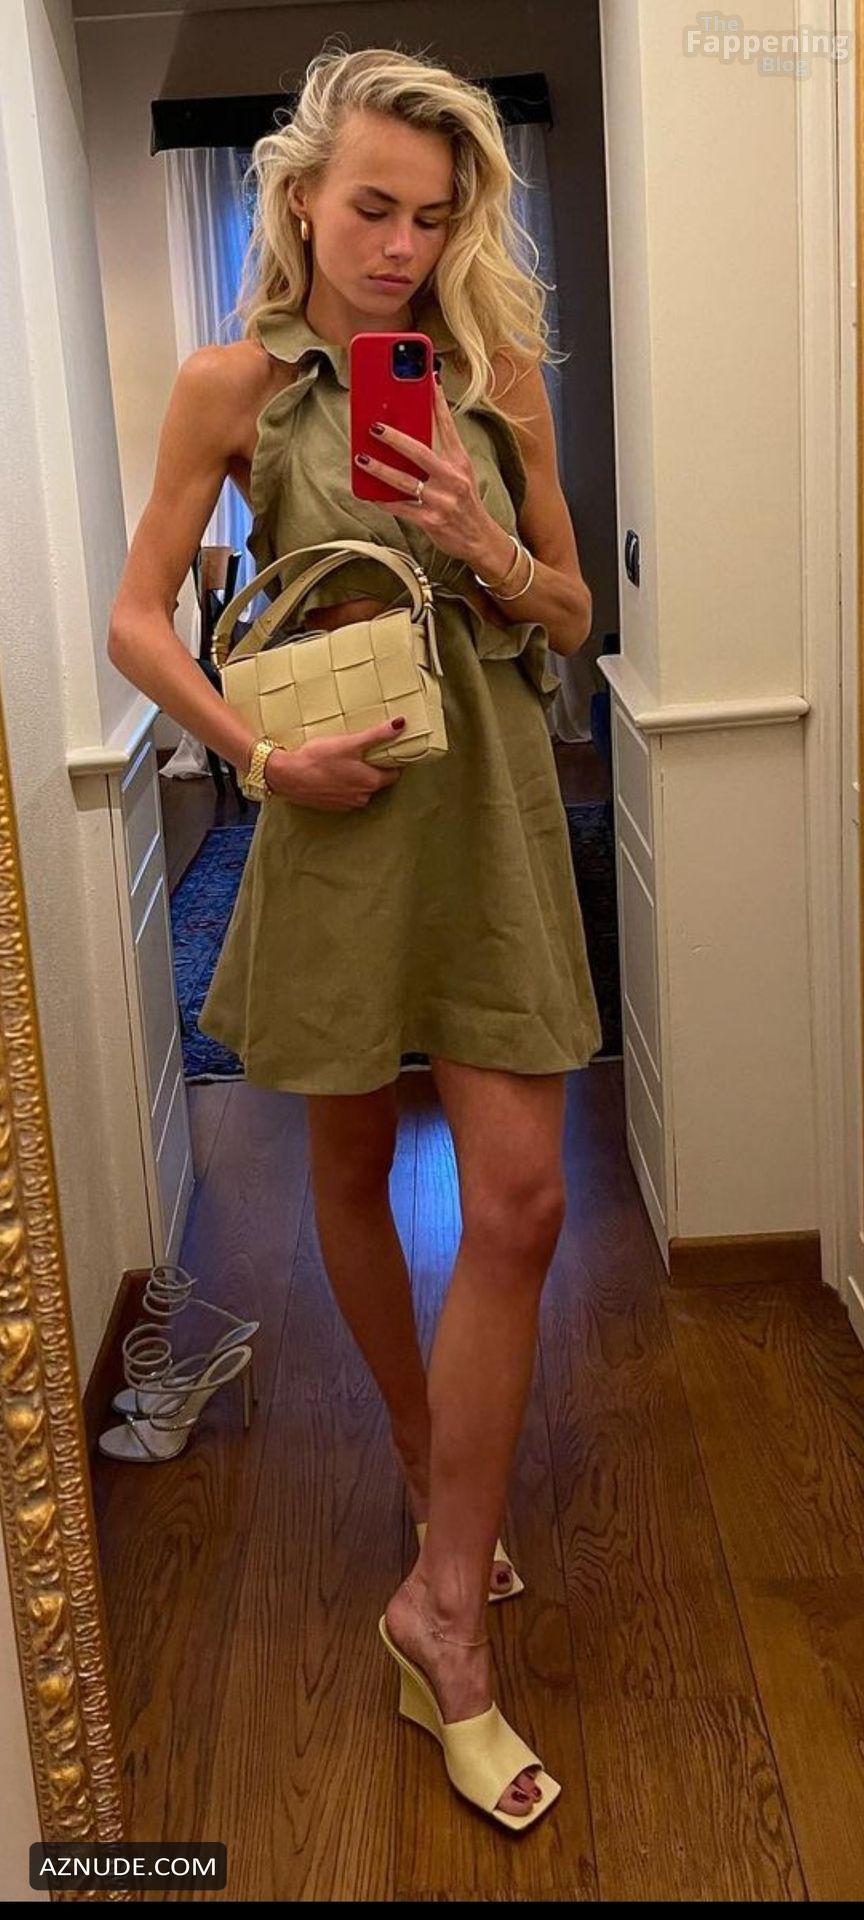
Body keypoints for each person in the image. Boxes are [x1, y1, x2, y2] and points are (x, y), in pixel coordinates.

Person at [108, 43, 602, 1831]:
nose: (403, 247)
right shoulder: (227, 384)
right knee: (345, 1162)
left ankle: (441, 1605)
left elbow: (572, 610)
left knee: (522, 1201)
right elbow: (135, 619)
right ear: (302, 199)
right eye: (373, 208)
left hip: (490, 817)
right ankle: (419, 1445)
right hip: (333, 801)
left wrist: (483, 532)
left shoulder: (498, 379)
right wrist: (254, 759)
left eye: (434, 215)